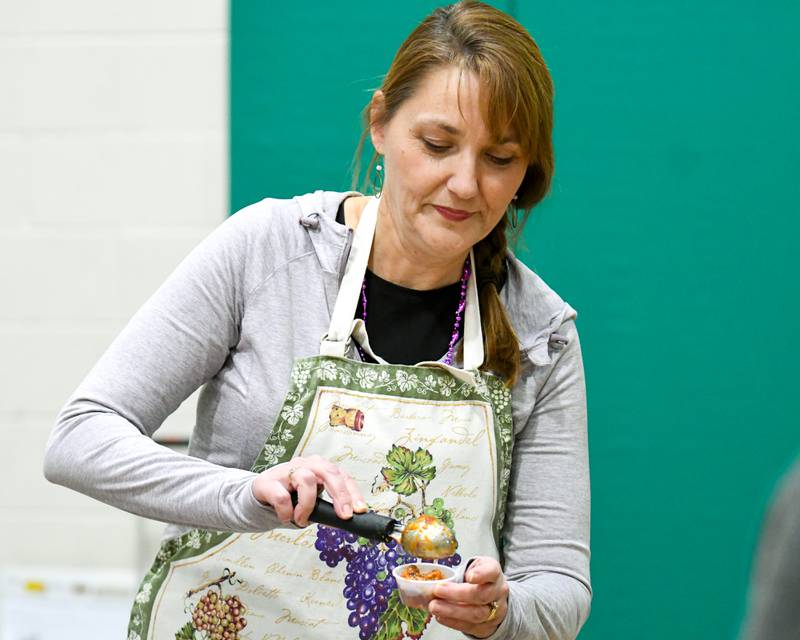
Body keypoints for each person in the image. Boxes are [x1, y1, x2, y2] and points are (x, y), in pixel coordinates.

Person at [44, 2, 591, 639]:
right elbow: (79, 441)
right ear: (382, 124)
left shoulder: (541, 332)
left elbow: (559, 582)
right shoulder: (268, 251)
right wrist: (245, 494)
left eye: (499, 159)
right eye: (438, 144)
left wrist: (502, 611)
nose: (465, 184)